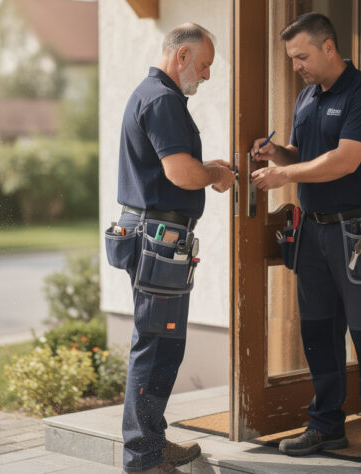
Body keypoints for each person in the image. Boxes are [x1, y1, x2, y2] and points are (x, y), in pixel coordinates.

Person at [250, 12, 361, 472]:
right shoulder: (306, 97)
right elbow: (307, 155)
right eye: (292, 58)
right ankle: (326, 424)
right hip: (312, 231)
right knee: (318, 332)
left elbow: (345, 160)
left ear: (329, 47)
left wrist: (282, 175)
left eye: (302, 56)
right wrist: (279, 154)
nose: (296, 65)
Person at [106, 23, 235, 474]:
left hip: (153, 237)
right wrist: (216, 176)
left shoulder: (155, 94)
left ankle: (151, 443)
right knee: (157, 346)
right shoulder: (162, 99)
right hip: (157, 239)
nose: (206, 75)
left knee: (163, 344)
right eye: (203, 65)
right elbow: (180, 174)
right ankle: (144, 455)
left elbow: (172, 169)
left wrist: (207, 166)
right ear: (181, 56)